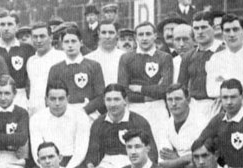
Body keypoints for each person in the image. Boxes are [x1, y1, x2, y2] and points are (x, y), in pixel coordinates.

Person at [86, 84, 157, 168]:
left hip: (133, 161)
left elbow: (152, 152)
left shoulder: (138, 121)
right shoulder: (99, 123)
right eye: (109, 100)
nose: (112, 104)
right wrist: (90, 166)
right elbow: (92, 152)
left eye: (117, 99)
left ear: (125, 100)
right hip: (109, 162)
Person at [30, 82, 90, 168]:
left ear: (68, 98)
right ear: (46, 100)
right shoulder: (36, 118)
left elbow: (81, 150)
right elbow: (36, 152)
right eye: (52, 99)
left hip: (73, 162)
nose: (57, 103)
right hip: (46, 160)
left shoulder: (80, 116)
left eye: (61, 98)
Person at [118, 21, 173, 152]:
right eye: (140, 34)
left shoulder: (165, 57)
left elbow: (165, 89)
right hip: (136, 107)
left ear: (155, 36)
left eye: (148, 34)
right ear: (136, 37)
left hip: (158, 107)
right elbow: (123, 90)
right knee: (138, 146)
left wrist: (140, 88)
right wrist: (147, 96)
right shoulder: (126, 58)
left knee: (163, 146)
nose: (144, 38)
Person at [161, 84, 207, 168]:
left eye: (178, 99)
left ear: (188, 99)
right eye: (169, 99)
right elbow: (163, 163)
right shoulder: (166, 124)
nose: (173, 104)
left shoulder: (201, 121)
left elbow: (199, 161)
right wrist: (184, 159)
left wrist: (177, 159)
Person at [205, 14, 243, 113]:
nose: (232, 34)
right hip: (226, 112)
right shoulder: (216, 58)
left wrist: (224, 83)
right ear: (223, 34)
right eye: (227, 30)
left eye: (235, 29)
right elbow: (211, 91)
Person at [177, 11, 225, 123]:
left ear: (213, 28)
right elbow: (181, 87)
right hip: (194, 107)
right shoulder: (188, 56)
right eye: (196, 28)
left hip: (218, 105)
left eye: (204, 27)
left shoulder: (224, 52)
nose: (200, 32)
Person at [48, 26, 105, 119]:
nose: (70, 45)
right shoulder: (55, 69)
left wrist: (84, 110)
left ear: (81, 43)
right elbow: (50, 96)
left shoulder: (94, 66)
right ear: (62, 45)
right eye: (66, 42)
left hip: (88, 114)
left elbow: (101, 96)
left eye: (73, 41)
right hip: (64, 115)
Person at [0, 10, 35, 109]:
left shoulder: (27, 49)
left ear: (17, 27)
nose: (6, 28)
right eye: (2, 24)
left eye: (10, 24)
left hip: (20, 97)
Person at [26, 22, 66, 116]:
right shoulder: (30, 61)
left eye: (42, 36)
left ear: (51, 38)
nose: (38, 40)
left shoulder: (61, 57)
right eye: (35, 37)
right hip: (34, 113)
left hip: (56, 112)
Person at [86, 21, 125, 86]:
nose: (107, 36)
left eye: (111, 32)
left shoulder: (125, 57)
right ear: (99, 34)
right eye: (104, 33)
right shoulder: (88, 59)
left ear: (117, 34)